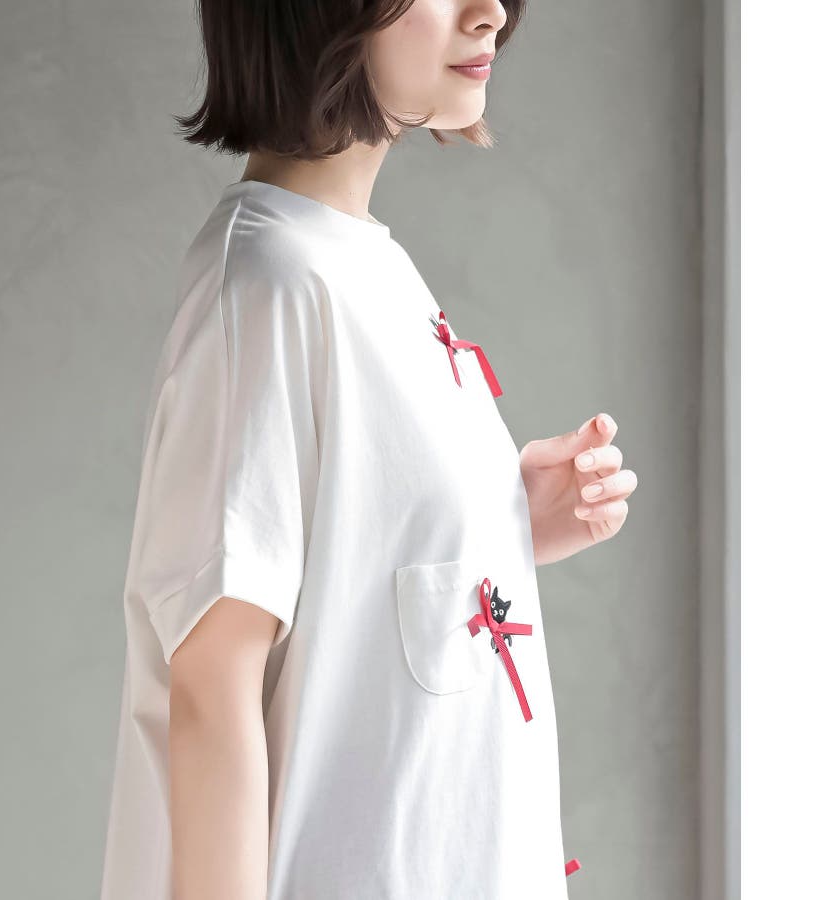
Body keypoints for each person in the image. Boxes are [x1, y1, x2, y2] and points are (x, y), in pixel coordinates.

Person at [99, 1, 639, 898]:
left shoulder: (355, 261)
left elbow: (353, 571)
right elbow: (211, 688)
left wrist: (498, 523)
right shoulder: (268, 286)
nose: (491, 13)